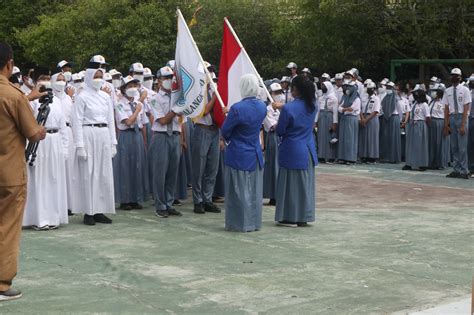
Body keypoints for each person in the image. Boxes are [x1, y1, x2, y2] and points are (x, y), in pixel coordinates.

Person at [0, 42, 46, 301]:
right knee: (7, 226)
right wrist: (41, 130)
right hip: (8, 173)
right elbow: (33, 133)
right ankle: (2, 283)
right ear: (9, 64)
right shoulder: (13, 95)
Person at [71, 67, 117, 225]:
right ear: (89, 78)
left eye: (100, 76)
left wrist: (113, 142)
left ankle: (100, 210)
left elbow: (111, 120)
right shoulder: (81, 97)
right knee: (89, 173)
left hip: (103, 133)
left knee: (103, 173)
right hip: (88, 133)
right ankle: (89, 212)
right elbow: (76, 121)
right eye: (95, 76)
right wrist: (79, 145)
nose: (98, 79)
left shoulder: (105, 97)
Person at [23, 73, 69, 230]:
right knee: (39, 179)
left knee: (53, 178)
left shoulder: (57, 102)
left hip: (54, 141)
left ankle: (53, 217)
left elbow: (63, 126)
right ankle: (39, 218)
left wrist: (64, 149)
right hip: (39, 141)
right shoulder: (32, 102)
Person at [221, 74, 266, 232]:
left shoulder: (237, 108)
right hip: (255, 151)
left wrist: (228, 114)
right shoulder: (262, 106)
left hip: (239, 152)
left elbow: (226, 131)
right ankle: (254, 222)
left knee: (239, 190)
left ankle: (240, 223)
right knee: (254, 189)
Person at [274, 75, 318, 227]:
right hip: (308, 148)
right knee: (305, 185)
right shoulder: (313, 105)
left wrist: (276, 125)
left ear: (296, 89)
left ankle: (290, 216)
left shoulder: (288, 108)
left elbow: (281, 130)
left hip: (292, 149)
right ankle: (303, 216)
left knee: (291, 185)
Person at [148, 66, 183, 218]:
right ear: (159, 80)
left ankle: (169, 203)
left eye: (171, 77)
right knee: (160, 173)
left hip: (175, 135)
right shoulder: (154, 98)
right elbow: (162, 120)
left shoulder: (177, 97)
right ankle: (160, 205)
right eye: (166, 77)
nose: (169, 80)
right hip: (161, 136)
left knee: (172, 172)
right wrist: (176, 109)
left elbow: (182, 120)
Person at [113, 76, 149, 210]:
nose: (133, 88)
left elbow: (144, 124)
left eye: (135, 85)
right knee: (125, 167)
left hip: (137, 135)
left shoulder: (138, 104)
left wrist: (144, 141)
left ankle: (135, 198)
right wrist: (137, 111)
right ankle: (125, 199)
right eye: (129, 86)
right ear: (123, 89)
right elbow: (127, 122)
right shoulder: (120, 104)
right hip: (126, 136)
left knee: (138, 166)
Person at [191, 63, 221, 214]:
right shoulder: (196, 91)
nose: (210, 73)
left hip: (215, 130)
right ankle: (198, 201)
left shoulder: (214, 89)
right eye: (206, 71)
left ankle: (207, 199)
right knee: (199, 168)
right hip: (201, 130)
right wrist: (216, 96)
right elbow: (205, 110)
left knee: (212, 168)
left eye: (211, 71)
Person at [443, 68, 472, 179]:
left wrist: (463, 124)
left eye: (456, 76)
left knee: (462, 147)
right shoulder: (448, 90)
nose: (454, 77)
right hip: (452, 117)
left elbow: (466, 108)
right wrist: (446, 124)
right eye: (452, 75)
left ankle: (464, 170)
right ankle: (456, 169)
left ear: (460, 77)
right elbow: (446, 108)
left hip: (461, 117)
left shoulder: (465, 90)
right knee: (454, 146)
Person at [263, 83, 283, 206]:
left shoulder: (282, 108)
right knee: (273, 165)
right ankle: (273, 195)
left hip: (282, 138)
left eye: (280, 92)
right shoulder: (267, 109)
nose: (278, 95)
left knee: (281, 165)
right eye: (276, 93)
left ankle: (280, 193)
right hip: (273, 138)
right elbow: (272, 126)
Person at [403, 90, 431, 171]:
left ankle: (422, 164)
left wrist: (425, 126)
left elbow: (428, 117)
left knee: (420, 145)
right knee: (410, 144)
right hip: (413, 124)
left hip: (420, 124)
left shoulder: (425, 105)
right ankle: (409, 163)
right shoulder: (415, 104)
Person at [337, 80, 361, 164]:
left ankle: (350, 158)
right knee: (343, 138)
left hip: (351, 119)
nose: (348, 88)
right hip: (344, 118)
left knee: (350, 138)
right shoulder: (345, 97)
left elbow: (352, 109)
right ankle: (343, 157)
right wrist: (345, 109)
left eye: (350, 87)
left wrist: (344, 109)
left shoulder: (357, 98)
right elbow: (339, 108)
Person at [379, 81, 403, 163]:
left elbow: (400, 111)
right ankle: (386, 157)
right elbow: (382, 108)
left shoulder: (397, 99)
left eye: (390, 88)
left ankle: (394, 158)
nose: (388, 89)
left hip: (394, 118)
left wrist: (398, 120)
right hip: (386, 119)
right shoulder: (385, 98)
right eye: (387, 88)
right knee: (386, 138)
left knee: (394, 139)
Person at [428, 84, 450, 170]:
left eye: (435, 91)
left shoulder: (444, 103)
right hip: (432, 122)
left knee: (439, 143)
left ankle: (439, 163)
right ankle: (431, 162)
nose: (433, 93)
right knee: (432, 143)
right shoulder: (431, 102)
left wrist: (446, 125)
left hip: (440, 122)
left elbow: (446, 115)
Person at [359, 81, 381, 163]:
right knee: (364, 138)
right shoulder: (364, 98)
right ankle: (364, 155)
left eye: (371, 89)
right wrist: (362, 118)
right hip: (364, 117)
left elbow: (376, 111)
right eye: (368, 89)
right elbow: (360, 108)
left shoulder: (376, 99)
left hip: (372, 119)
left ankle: (372, 157)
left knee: (372, 138)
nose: (369, 90)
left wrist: (366, 120)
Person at [317, 81, 338, 163]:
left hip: (329, 116)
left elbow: (335, 112)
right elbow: (318, 111)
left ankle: (330, 156)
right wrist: (315, 121)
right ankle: (321, 155)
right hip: (322, 117)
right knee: (321, 136)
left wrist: (334, 123)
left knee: (329, 136)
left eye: (324, 86)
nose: (322, 87)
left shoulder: (334, 98)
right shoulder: (320, 98)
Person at [467, 74, 474, 175]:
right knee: (469, 145)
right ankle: (470, 167)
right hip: (469, 119)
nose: (471, 83)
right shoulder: (469, 92)